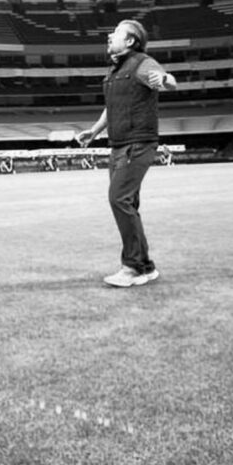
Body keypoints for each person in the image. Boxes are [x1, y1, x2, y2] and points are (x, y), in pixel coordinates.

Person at [77, 19, 177, 288]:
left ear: (131, 41)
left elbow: (169, 81)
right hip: (119, 144)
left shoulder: (142, 63)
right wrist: (94, 131)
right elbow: (112, 107)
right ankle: (145, 267)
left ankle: (132, 268)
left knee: (119, 198)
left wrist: (164, 79)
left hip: (137, 143)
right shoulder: (116, 70)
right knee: (128, 203)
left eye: (116, 33)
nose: (110, 36)